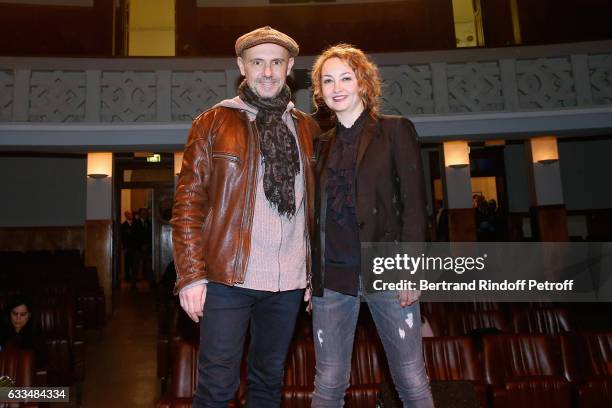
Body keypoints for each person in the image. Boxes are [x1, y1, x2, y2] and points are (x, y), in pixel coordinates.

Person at [171, 26, 320, 407]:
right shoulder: (213, 122)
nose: (267, 72)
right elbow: (188, 204)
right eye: (257, 62)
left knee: (269, 382)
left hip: (288, 281)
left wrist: (313, 270)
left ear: (290, 68)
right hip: (226, 278)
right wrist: (190, 276)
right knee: (217, 388)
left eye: (276, 62)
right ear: (242, 66)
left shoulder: (308, 128)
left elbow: (316, 212)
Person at [309, 44, 434, 407]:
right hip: (332, 277)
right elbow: (314, 218)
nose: (337, 87)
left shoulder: (395, 131)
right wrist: (309, 272)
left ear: (363, 83)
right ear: (319, 91)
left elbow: (414, 206)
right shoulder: (320, 145)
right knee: (328, 384)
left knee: (411, 379)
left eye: (346, 77)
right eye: (328, 80)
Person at [0, 296, 46, 368]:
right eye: (15, 314)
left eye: (23, 314)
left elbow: (41, 363)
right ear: (9, 314)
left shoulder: (36, 335)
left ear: (29, 315)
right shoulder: (2, 331)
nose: (18, 318)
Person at [120, 210, 140, 290]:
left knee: (135, 265)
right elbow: (123, 238)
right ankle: (128, 278)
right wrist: (124, 247)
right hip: (128, 249)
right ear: (125, 215)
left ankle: (134, 280)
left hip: (136, 248)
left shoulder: (136, 224)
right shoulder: (123, 225)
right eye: (128, 214)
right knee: (128, 264)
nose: (130, 215)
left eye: (131, 214)